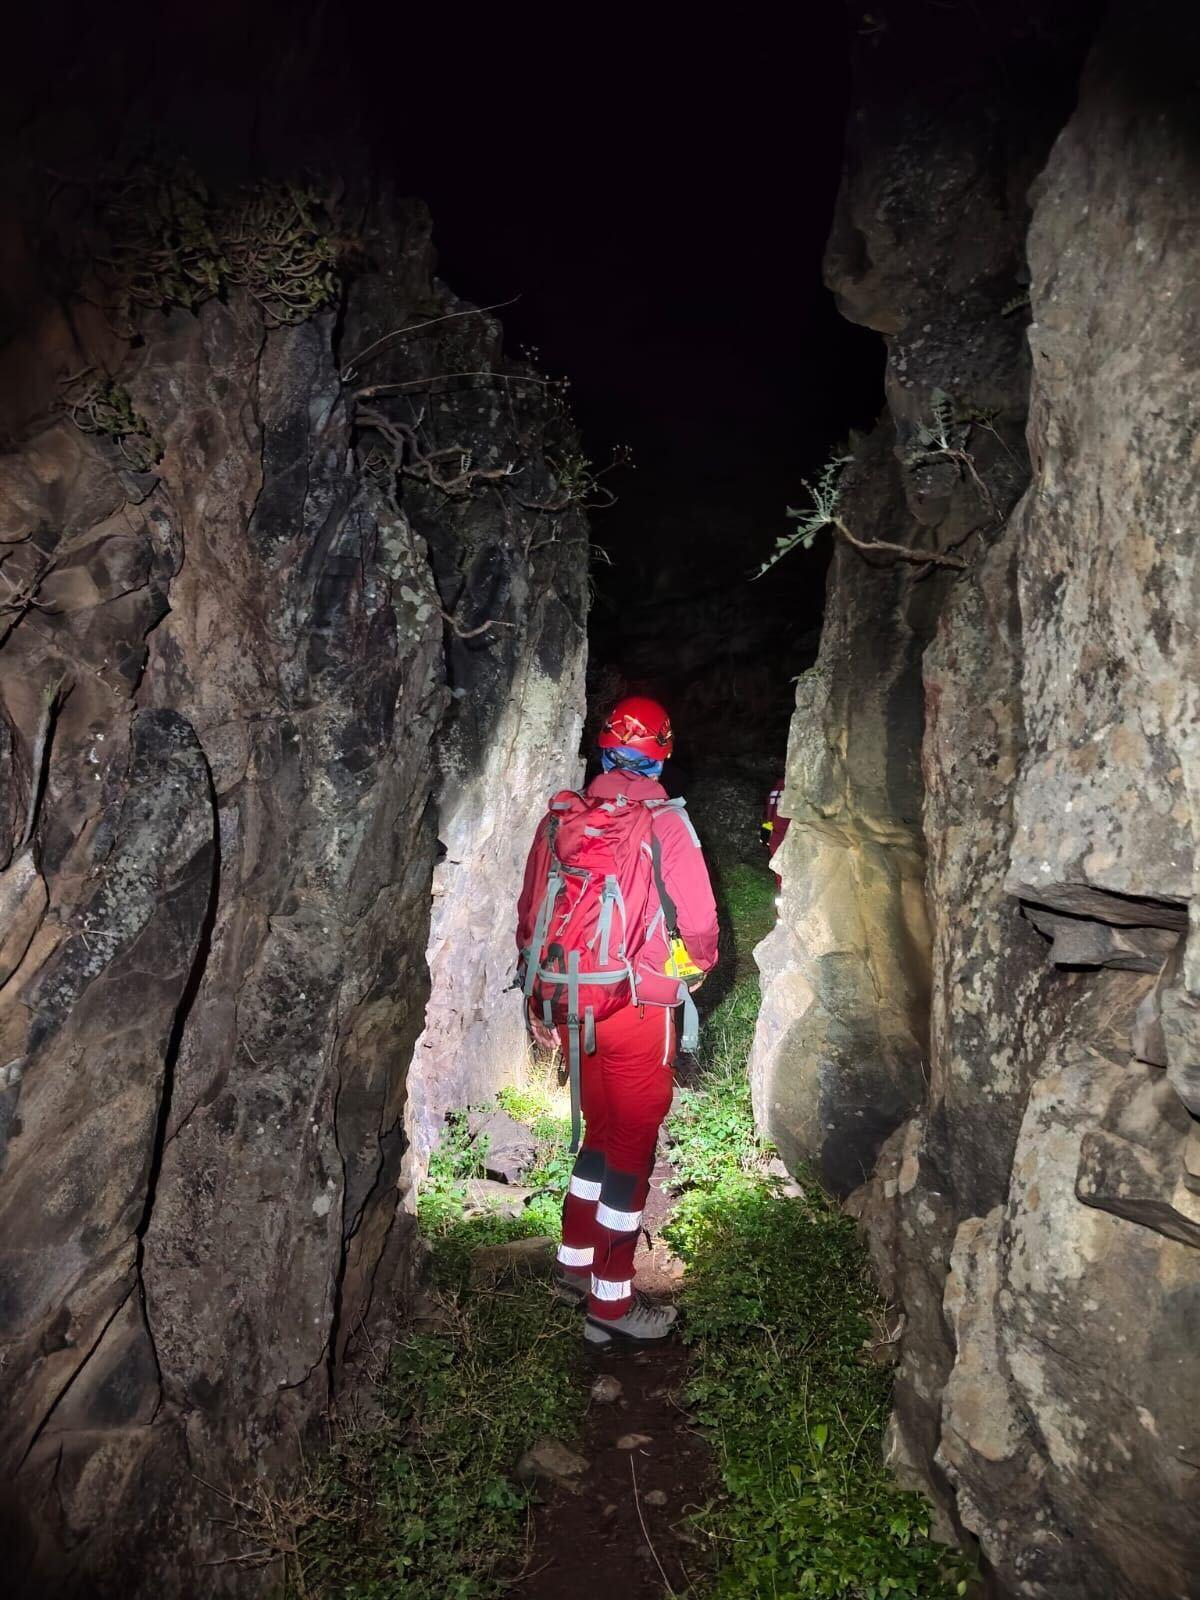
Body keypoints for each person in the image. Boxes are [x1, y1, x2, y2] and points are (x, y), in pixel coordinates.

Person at [515, 695, 719, 1346]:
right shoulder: (664, 821)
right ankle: (611, 1304)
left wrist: (540, 999)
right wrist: (693, 968)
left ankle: (573, 1264)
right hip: (637, 1007)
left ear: (602, 747)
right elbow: (703, 926)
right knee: (630, 1145)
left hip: (574, 1001)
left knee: (599, 1132)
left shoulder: (560, 819)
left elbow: (529, 918)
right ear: (662, 751)